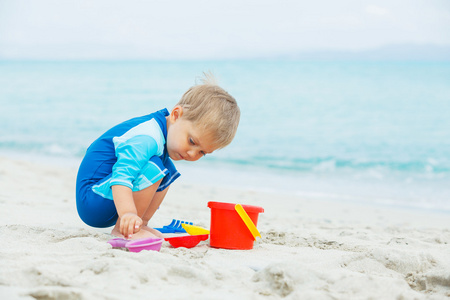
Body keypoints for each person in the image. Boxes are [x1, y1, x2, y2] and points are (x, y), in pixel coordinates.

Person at [75, 74, 240, 240]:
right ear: (176, 115)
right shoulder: (147, 137)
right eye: (192, 141)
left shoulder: (163, 137)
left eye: (202, 152)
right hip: (92, 199)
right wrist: (128, 214)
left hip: (110, 198)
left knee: (167, 169)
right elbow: (121, 176)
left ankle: (142, 223)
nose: (192, 153)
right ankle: (125, 229)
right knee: (154, 166)